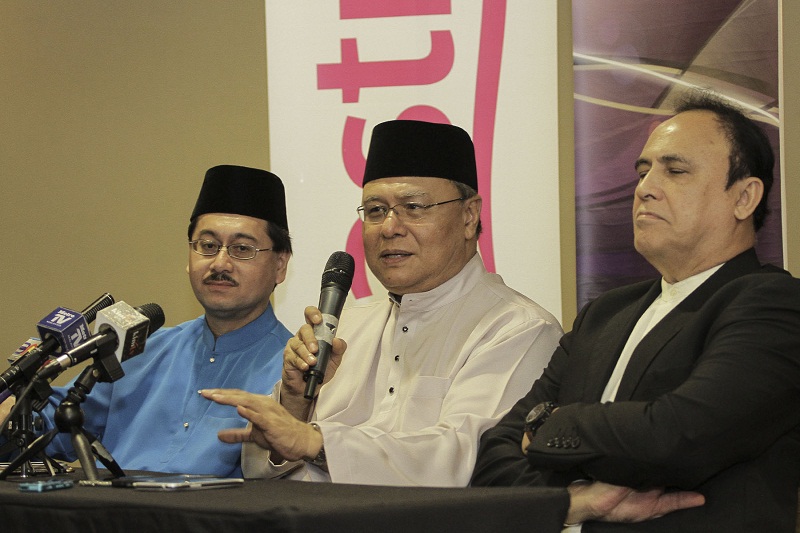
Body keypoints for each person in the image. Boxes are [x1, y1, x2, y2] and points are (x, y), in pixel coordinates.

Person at [470, 92, 800, 532]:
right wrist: (576, 503)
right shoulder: (605, 314)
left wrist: (553, 422)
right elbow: (494, 460)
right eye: (643, 171)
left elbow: (680, 435)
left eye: (675, 170)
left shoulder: (772, 303)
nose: (645, 187)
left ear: (744, 198)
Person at [202, 119, 564, 487]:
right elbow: (260, 472)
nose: (389, 227)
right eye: (375, 210)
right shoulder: (346, 329)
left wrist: (317, 443)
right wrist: (295, 400)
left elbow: (471, 458)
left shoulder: (518, 329)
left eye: (413, 207)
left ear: (469, 216)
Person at [1, 165, 294, 477]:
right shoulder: (138, 349)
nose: (220, 263)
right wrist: (13, 412)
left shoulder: (293, 373)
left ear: (279, 265)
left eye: (242, 249)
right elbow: (53, 424)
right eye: (208, 246)